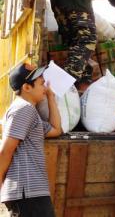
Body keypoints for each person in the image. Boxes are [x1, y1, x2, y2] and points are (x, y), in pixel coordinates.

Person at [0, 63, 63, 217]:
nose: (45, 87)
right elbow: (6, 151)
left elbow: (56, 130)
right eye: (41, 84)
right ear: (27, 88)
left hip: (30, 194)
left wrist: (51, 97)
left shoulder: (29, 113)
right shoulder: (24, 110)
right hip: (27, 194)